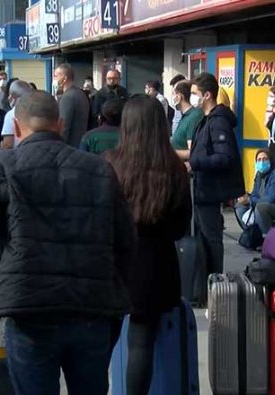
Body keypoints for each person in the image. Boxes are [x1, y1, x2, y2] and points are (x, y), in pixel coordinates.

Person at [0, 90, 136, 395]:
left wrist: (1, 251)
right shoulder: (99, 169)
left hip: (29, 308)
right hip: (91, 306)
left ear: (16, 128)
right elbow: (125, 238)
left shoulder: (1, 166)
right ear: (60, 125)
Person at [105, 95, 191, 395]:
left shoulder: (110, 163)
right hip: (155, 265)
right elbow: (181, 227)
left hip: (112, 263)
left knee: (101, 345)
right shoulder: (175, 170)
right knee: (142, 342)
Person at [188, 72, 244, 279]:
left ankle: (214, 281)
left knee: (211, 238)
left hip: (209, 191)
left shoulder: (218, 122)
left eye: (195, 93)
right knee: (204, 237)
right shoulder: (206, 120)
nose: (192, 97)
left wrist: (194, 164)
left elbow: (224, 157)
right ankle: (205, 281)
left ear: (207, 95)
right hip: (202, 189)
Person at [235, 149, 275, 234]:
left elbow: (271, 198)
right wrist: (246, 199)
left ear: (270, 161)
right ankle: (252, 234)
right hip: (268, 206)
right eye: (259, 160)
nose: (262, 162)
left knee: (261, 208)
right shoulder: (259, 175)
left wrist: (249, 200)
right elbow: (254, 194)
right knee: (240, 206)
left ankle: (268, 239)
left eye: (265, 159)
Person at [55, 63, 90, 147]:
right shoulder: (81, 94)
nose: (54, 79)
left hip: (69, 146)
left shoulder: (68, 97)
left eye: (56, 76)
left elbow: (64, 126)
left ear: (64, 78)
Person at [170, 80, 203, 161]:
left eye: (173, 94)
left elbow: (192, 151)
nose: (172, 97)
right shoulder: (185, 115)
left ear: (179, 96)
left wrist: (169, 153)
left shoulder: (194, 116)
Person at [0, 80, 33, 150]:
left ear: (13, 97)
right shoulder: (36, 111)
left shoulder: (10, 115)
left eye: (10, 94)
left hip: (18, 156)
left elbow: (8, 144)